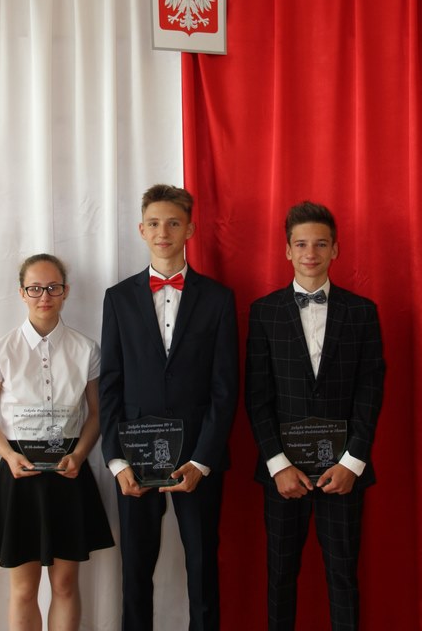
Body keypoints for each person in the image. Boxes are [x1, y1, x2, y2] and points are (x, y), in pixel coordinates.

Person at [99, 183, 238, 631]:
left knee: (203, 566)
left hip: (197, 457)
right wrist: (117, 461)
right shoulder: (118, 298)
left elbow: (224, 388)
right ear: (141, 230)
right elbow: (111, 385)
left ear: (190, 230)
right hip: (135, 460)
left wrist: (203, 460)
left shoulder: (219, 298)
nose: (164, 232)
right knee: (136, 570)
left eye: (173, 223)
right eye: (155, 223)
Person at [245, 201, 385, 631]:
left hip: (342, 471)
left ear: (335, 249)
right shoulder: (264, 311)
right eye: (302, 244)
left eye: (321, 244)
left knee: (343, 576)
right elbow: (257, 396)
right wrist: (278, 465)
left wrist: (352, 464)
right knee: (280, 577)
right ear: (287, 250)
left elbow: (371, 392)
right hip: (284, 473)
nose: (311, 253)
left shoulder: (362, 312)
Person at [0, 253, 114, 631]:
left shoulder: (87, 349)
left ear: (66, 291)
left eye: (53, 287)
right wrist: (8, 455)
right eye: (35, 288)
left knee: (65, 584)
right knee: (23, 589)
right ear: (22, 293)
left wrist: (80, 454)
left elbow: (96, 414)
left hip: (70, 471)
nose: (44, 296)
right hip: (19, 473)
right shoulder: (1, 350)